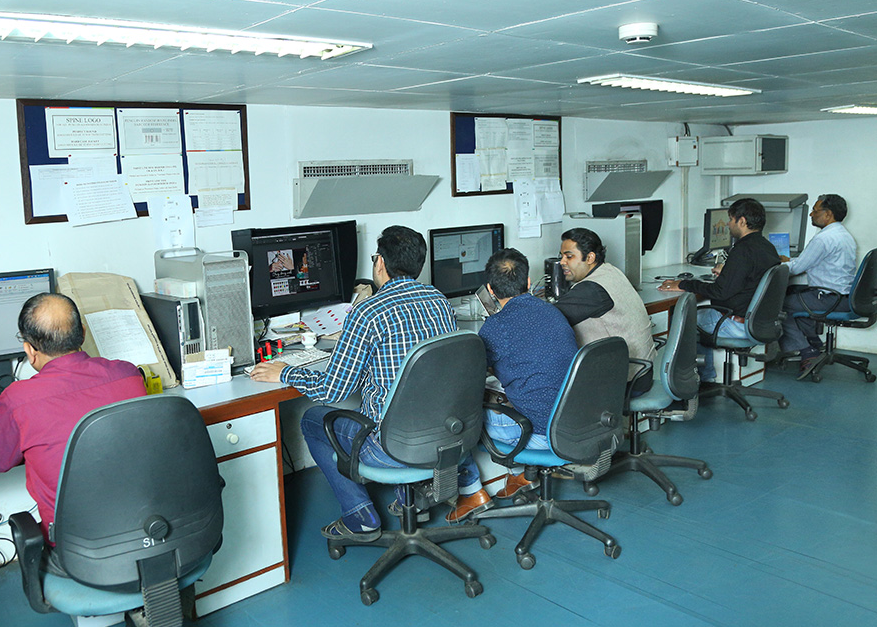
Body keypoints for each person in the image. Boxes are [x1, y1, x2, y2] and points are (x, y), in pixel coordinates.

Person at [249, 225, 488, 539]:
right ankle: (410, 500)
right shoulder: (438, 300)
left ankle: (359, 516)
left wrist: (284, 372)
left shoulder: (368, 312)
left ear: (380, 263)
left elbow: (333, 390)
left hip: (389, 448)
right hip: (443, 437)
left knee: (312, 419)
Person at [0, 293, 146, 555]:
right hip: (145, 529)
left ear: (30, 350)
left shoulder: (18, 399)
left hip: (76, 548)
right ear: (82, 334)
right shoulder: (127, 373)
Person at [478, 248, 578, 498]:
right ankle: (521, 476)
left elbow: (474, 375)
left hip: (542, 433)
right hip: (575, 422)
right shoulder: (553, 312)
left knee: (462, 418)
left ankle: (473, 492)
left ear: (491, 290)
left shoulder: (495, 327)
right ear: (529, 282)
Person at [659, 197, 780, 382]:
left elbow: (719, 292)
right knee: (696, 315)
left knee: (683, 319)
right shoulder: (767, 247)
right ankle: (707, 375)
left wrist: (683, 284)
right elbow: (751, 276)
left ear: (742, 221)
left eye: (731, 220)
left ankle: (703, 377)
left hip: (735, 323)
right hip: (758, 322)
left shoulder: (742, 250)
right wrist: (729, 271)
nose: (729, 225)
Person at [554, 227, 656, 382]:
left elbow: (548, 320)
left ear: (590, 258)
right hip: (643, 370)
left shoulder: (591, 290)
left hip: (625, 380)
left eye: (569, 256)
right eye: (561, 256)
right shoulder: (611, 271)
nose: (562, 262)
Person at [780, 194, 857, 376]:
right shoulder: (845, 235)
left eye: (815, 211)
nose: (811, 214)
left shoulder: (823, 239)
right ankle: (814, 342)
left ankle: (807, 351)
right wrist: (790, 261)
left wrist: (775, 263)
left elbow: (796, 268)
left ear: (828, 214)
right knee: (794, 293)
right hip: (846, 298)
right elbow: (808, 262)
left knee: (777, 305)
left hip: (830, 299)